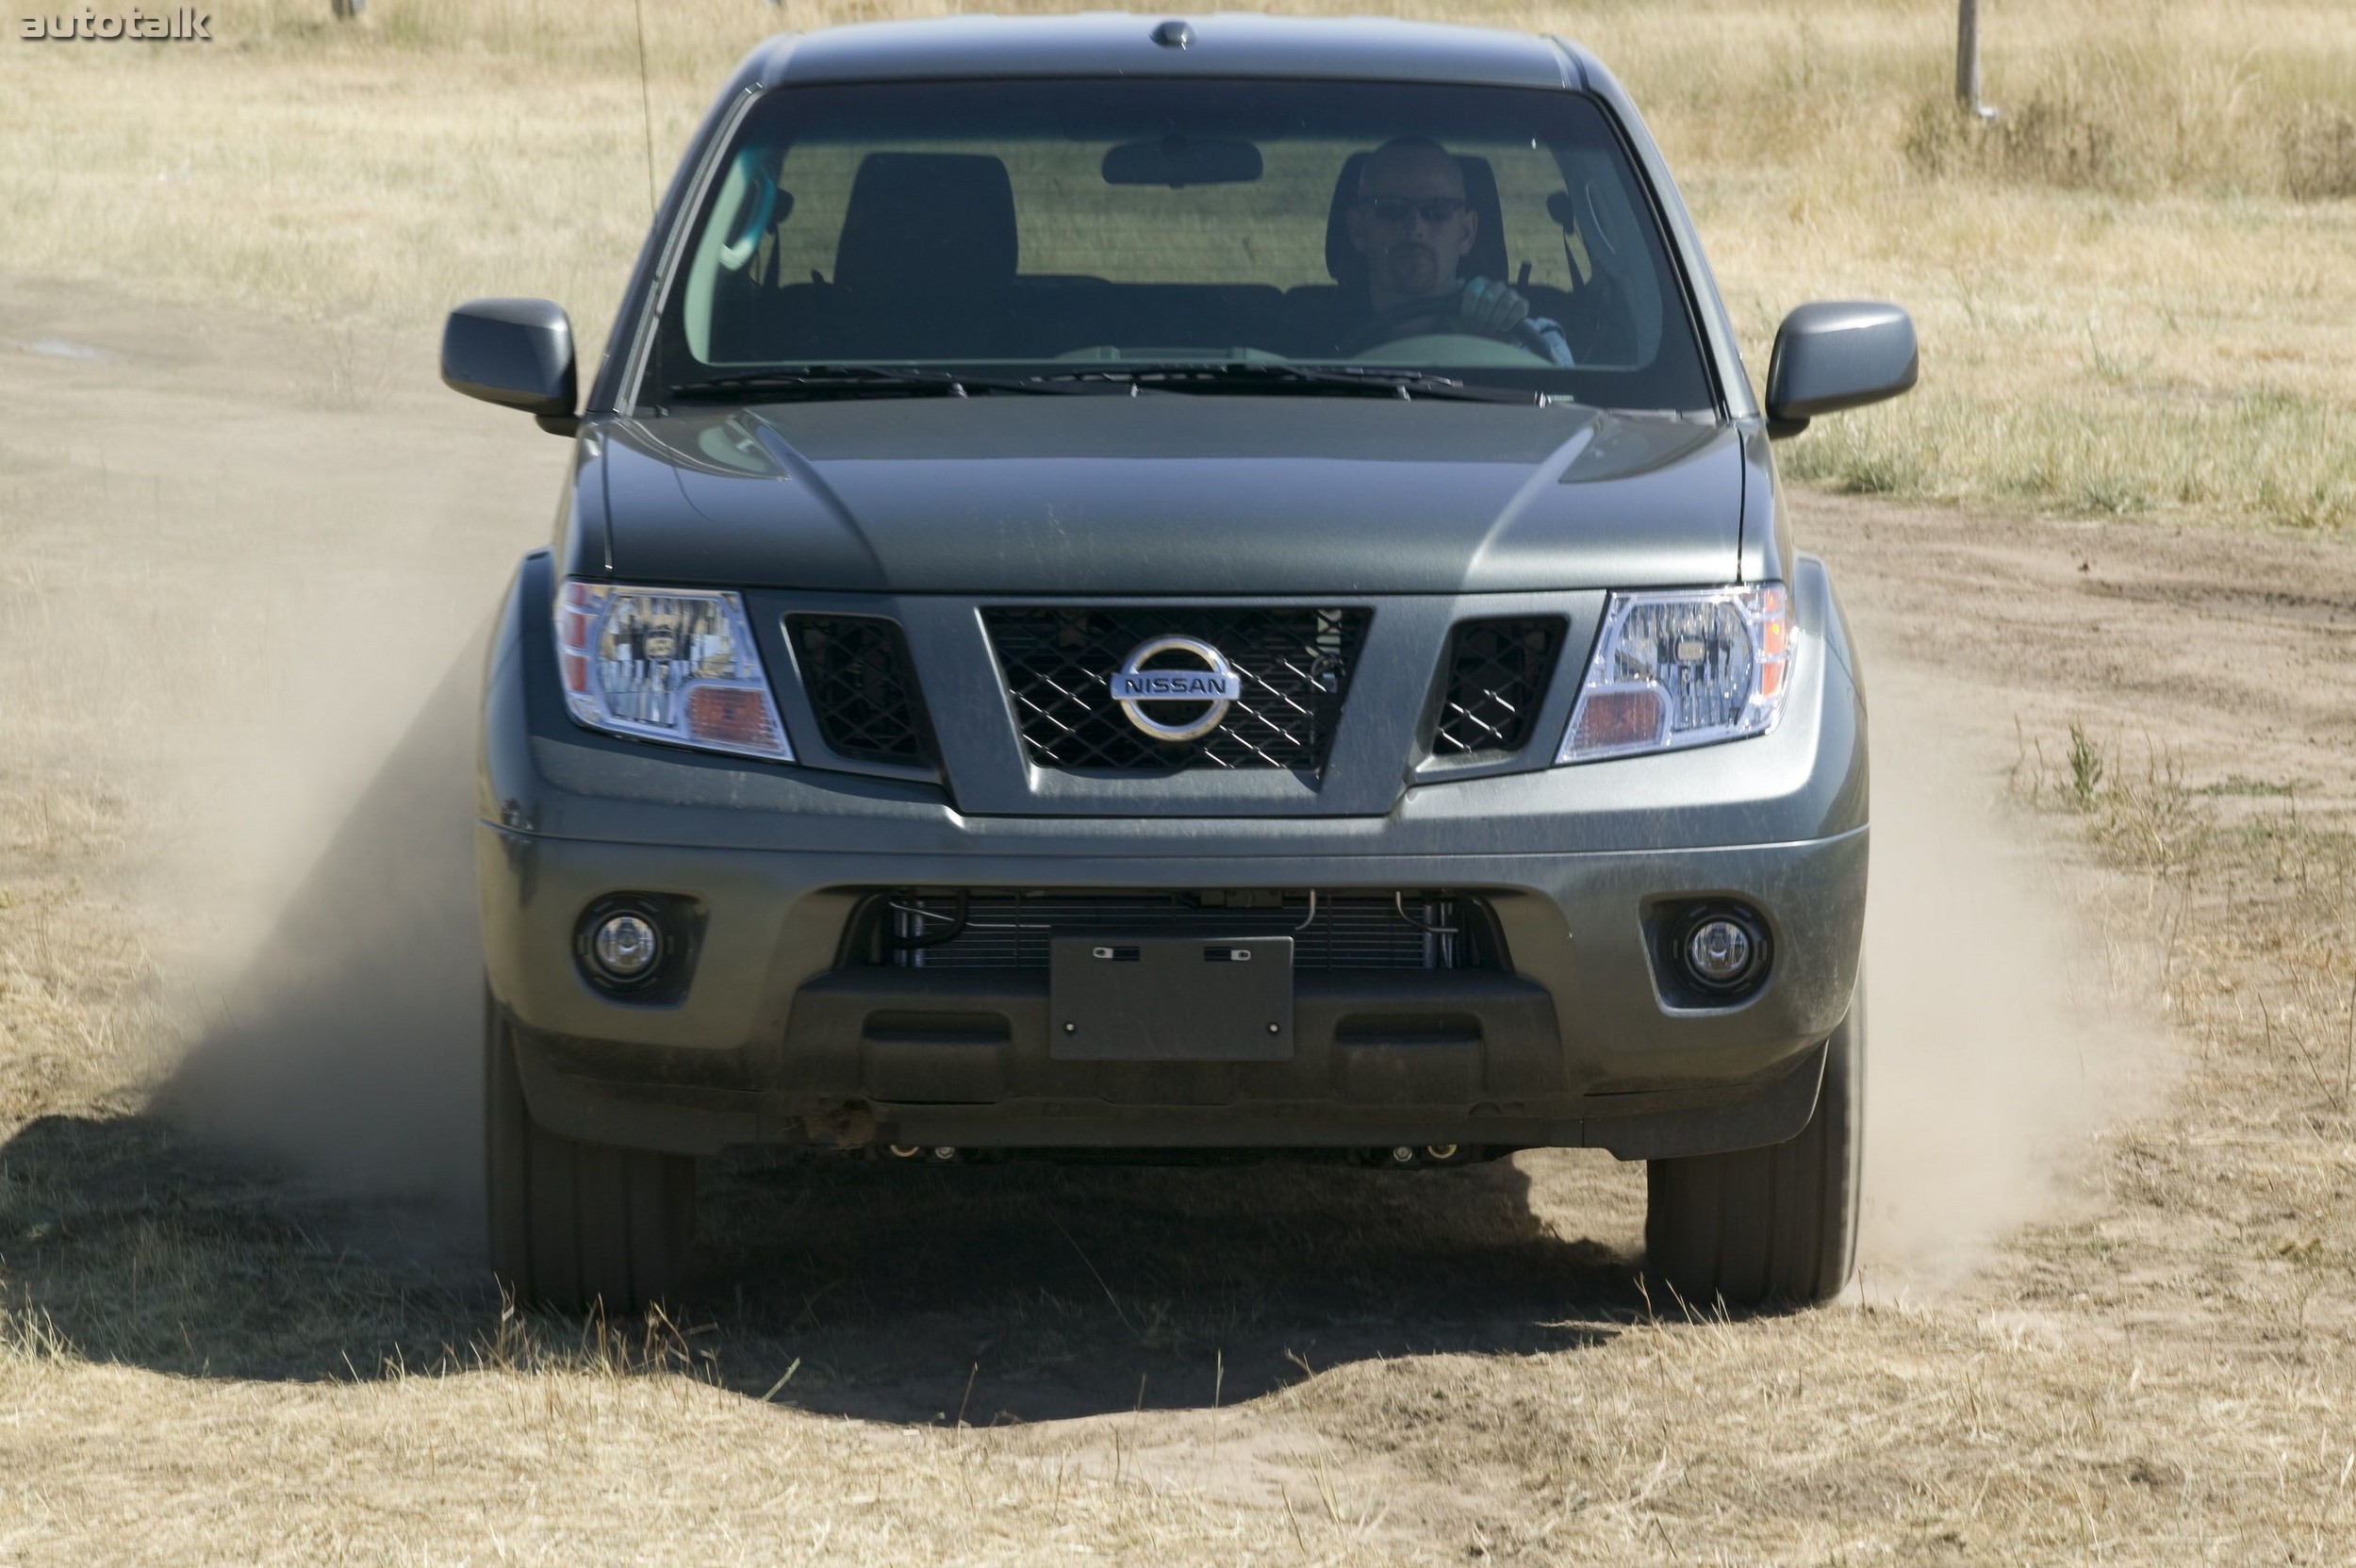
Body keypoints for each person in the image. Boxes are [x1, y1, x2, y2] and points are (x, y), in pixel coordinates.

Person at [1343, 138, 1575, 366]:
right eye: (1390, 208)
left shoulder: (1527, 340)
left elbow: (1566, 396)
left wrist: (1498, 350)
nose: (1415, 228)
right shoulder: (1311, 341)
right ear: (1358, 231)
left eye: (1438, 210)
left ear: (1466, 233)